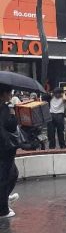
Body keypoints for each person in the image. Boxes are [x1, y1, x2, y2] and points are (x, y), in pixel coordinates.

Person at [0, 86, 19, 219]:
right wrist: (13, 114)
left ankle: (4, 198)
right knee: (7, 176)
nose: (11, 96)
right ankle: (3, 210)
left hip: (4, 147)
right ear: (3, 94)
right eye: (9, 93)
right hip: (4, 147)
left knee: (12, 174)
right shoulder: (5, 109)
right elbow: (11, 126)